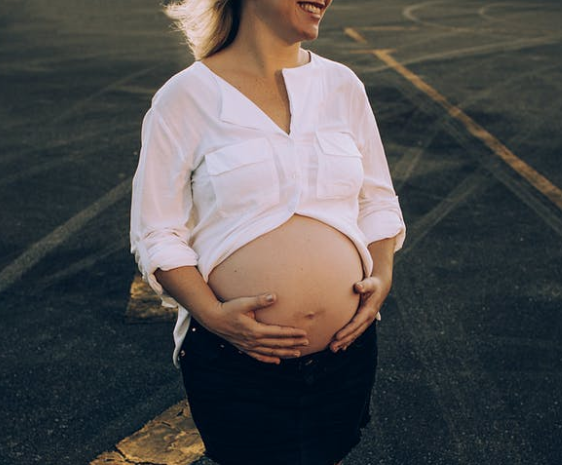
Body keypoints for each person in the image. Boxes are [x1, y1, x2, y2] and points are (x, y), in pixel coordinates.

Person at [130, 1, 405, 464]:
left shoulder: (342, 86)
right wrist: (213, 315)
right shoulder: (186, 97)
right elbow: (155, 232)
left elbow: (377, 200)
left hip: (346, 355)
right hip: (238, 363)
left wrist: (382, 277)